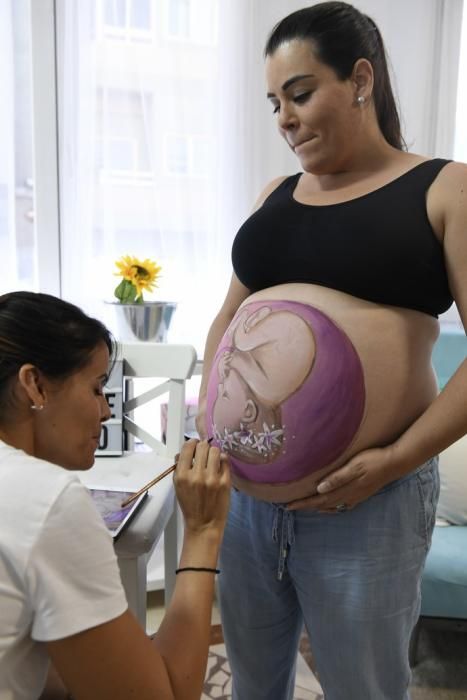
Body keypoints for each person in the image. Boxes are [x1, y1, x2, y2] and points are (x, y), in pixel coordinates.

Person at [196, 2, 467, 698]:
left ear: (359, 80)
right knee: (254, 684)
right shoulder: (275, 195)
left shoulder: (443, 189)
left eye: (299, 92)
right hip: (246, 503)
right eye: (272, 102)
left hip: (368, 505)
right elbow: (227, 321)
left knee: (360, 687)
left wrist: (391, 462)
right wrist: (206, 427)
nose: (283, 118)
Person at [0, 291, 231, 700]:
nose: (107, 412)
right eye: (95, 389)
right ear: (34, 385)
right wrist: (204, 530)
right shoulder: (45, 500)